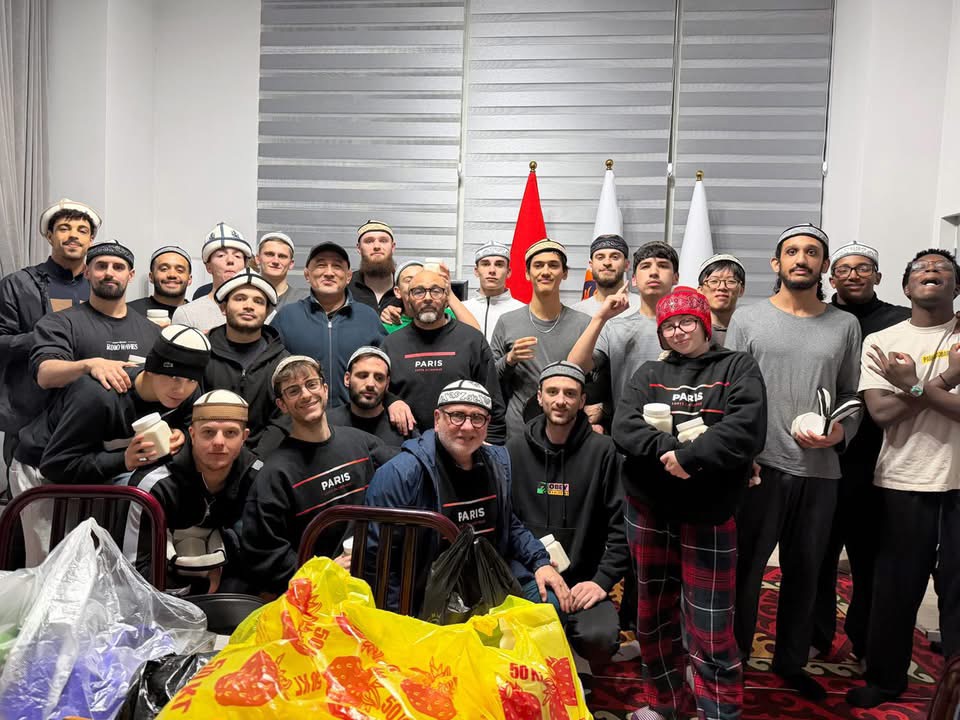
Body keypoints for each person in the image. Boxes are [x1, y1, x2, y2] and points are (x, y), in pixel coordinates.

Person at [612, 287, 767, 720]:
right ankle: (665, 704)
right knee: (652, 615)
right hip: (649, 510)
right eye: (669, 326)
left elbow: (746, 429)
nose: (678, 332)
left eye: (687, 322)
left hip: (709, 513)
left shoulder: (737, 366)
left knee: (710, 624)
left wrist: (691, 458)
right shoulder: (648, 373)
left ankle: (718, 712)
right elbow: (625, 427)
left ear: (705, 325)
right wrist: (674, 452)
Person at [726, 223, 862, 700]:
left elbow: (850, 394)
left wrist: (842, 431)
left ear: (824, 265)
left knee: (806, 572)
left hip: (820, 471)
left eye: (811, 252)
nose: (801, 259)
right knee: (745, 572)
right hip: (759, 468)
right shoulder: (748, 319)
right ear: (776, 263)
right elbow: (730, 394)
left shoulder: (845, 325)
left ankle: (791, 662)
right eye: (791, 251)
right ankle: (733, 658)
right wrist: (740, 456)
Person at [845, 249, 960, 709]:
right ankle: (885, 679)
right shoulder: (883, 340)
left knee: (958, 591)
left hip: (959, 482)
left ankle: (955, 688)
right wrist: (948, 377)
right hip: (903, 477)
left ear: (956, 286)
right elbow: (882, 413)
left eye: (942, 269)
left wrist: (913, 386)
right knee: (894, 588)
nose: (931, 272)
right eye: (921, 269)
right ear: (906, 287)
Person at [365, 380, 571, 613]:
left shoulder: (496, 464)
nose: (467, 427)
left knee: (550, 605)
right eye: (457, 416)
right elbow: (379, 560)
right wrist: (399, 619)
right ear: (437, 418)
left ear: (487, 424)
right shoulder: (400, 474)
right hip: (429, 594)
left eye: (477, 418)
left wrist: (540, 561)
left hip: (491, 578)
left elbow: (509, 525)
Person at [10, 325, 210, 563]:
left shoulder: (187, 395)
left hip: (100, 471)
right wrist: (124, 459)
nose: (181, 389)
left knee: (94, 560)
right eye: (173, 376)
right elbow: (55, 465)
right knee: (54, 565)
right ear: (152, 367)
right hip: (42, 471)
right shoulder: (98, 395)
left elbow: (189, 422)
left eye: (190, 380)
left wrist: (182, 435)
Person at [811, 242, 910, 662]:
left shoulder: (901, 321)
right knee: (818, 554)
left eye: (863, 268)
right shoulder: (819, 317)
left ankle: (865, 640)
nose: (853, 275)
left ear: (878, 276)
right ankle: (815, 636)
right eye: (844, 269)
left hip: (878, 457)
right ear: (831, 277)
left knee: (870, 557)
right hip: (823, 454)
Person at [507, 361, 628, 667]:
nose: (560, 400)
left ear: (582, 400)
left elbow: (622, 527)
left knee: (600, 640)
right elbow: (507, 524)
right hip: (531, 577)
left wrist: (601, 581)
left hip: (582, 582)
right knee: (522, 633)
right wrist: (532, 570)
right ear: (539, 397)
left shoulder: (604, 451)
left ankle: (576, 654)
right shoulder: (513, 450)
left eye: (570, 393)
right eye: (552, 392)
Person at [240, 356, 386, 595]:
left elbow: (404, 472)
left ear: (325, 389)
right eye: (293, 391)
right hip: (316, 599)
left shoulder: (360, 443)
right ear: (282, 405)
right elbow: (264, 553)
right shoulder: (274, 475)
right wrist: (322, 574)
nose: (306, 395)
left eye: (311, 384)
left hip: (372, 586)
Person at [0, 198, 101, 472]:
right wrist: (44, 341)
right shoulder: (18, 284)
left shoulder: (100, 288)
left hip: (85, 411)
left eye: (82, 230)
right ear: (49, 235)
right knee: (26, 494)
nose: (73, 235)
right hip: (29, 413)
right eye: (64, 228)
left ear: (91, 240)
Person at [126, 390, 262, 592]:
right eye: (208, 432)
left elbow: (262, 553)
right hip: (164, 590)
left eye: (230, 433)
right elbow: (134, 570)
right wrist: (197, 587)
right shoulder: (153, 483)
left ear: (244, 437)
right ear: (192, 434)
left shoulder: (257, 477)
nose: (219, 442)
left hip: (228, 581)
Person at [382, 268, 507, 443]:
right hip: (405, 447)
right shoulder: (391, 344)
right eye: (418, 292)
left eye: (436, 291)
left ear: (447, 297)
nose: (427, 298)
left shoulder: (472, 341)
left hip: (463, 447)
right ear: (407, 298)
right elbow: (376, 391)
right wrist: (391, 401)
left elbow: (492, 399)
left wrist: (492, 445)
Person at [31, 240, 160, 393]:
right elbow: (45, 375)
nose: (109, 273)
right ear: (87, 272)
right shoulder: (60, 323)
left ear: (130, 275)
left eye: (118, 267)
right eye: (101, 266)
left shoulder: (152, 331)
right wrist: (89, 366)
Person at [491, 239, 591, 435]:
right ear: (527, 274)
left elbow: (595, 378)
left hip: (570, 432)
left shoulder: (584, 324)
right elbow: (490, 379)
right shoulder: (507, 322)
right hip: (518, 433)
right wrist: (509, 360)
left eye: (553, 265)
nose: (545, 271)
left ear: (565, 273)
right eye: (538, 265)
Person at [567, 240, 679, 417]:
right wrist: (600, 318)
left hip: (679, 425)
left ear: (676, 277)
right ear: (633, 279)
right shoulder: (614, 327)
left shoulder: (690, 330)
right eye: (645, 266)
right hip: (626, 426)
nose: (654, 272)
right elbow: (576, 365)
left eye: (663, 266)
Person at [271, 242, 386, 408]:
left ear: (348, 276)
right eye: (321, 265)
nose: (329, 273)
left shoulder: (368, 317)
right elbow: (270, 374)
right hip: (302, 417)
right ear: (307, 274)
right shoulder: (287, 317)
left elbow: (386, 371)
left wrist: (393, 401)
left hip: (356, 418)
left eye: (337, 266)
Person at [204, 269, 288, 449]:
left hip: (263, 458)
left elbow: (283, 420)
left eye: (258, 301)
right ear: (223, 307)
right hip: (208, 453)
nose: (249, 306)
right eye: (240, 298)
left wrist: (257, 459)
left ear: (267, 312)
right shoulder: (201, 354)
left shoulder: (282, 362)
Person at [327, 346, 415, 447]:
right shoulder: (327, 424)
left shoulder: (403, 426)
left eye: (379, 378)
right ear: (347, 379)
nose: (370, 384)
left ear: (387, 384)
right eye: (363, 376)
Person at [173, 223, 253, 333]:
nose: (230, 260)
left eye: (237, 256)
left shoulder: (260, 311)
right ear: (208, 267)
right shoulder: (187, 314)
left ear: (245, 265)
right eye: (221, 255)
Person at [461, 242, 525, 341]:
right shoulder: (461, 309)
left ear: (508, 272)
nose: (492, 270)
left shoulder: (523, 311)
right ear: (476, 271)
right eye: (485, 264)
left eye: (499, 265)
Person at [572, 234, 641, 316]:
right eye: (600, 257)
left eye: (615, 257)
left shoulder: (642, 306)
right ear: (591, 265)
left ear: (626, 265)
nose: (607, 263)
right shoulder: (577, 312)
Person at [349, 220, 404, 316]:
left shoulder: (405, 286)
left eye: (383, 241)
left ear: (393, 247)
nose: (377, 246)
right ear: (359, 248)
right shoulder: (346, 287)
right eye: (369, 241)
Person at [128, 246, 193, 320]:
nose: (172, 275)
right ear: (151, 277)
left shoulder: (198, 315)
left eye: (179, 270)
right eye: (164, 269)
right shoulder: (129, 312)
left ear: (189, 279)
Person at [696, 253, 746, 348]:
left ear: (741, 290)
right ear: (700, 290)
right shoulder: (691, 332)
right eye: (714, 281)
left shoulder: (749, 331)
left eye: (731, 281)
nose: (722, 287)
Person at [255, 231, 307, 313]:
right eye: (269, 254)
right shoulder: (244, 296)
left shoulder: (303, 302)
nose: (275, 261)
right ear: (257, 259)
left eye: (282, 256)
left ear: (291, 264)